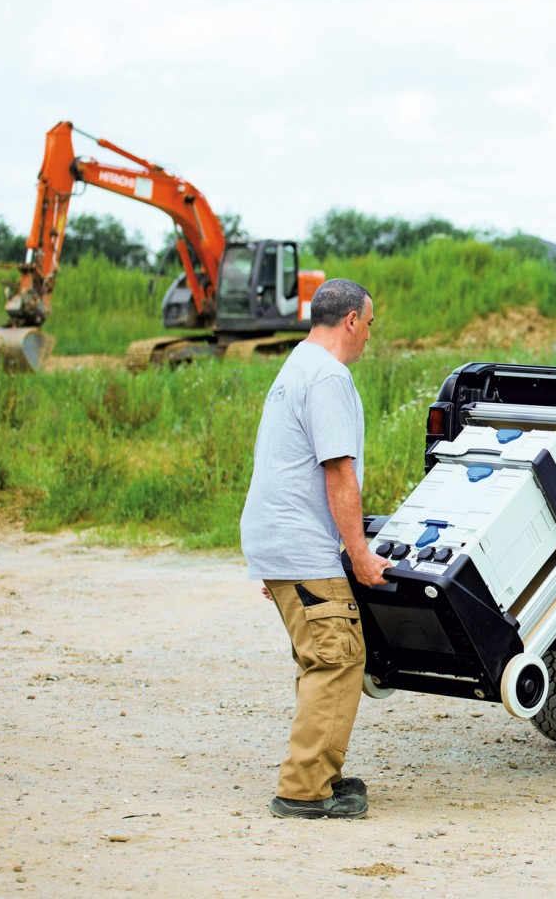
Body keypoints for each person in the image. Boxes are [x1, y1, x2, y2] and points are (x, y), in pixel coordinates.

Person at [239, 278, 390, 819]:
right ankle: (303, 791)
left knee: (320, 658)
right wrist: (360, 554)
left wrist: (273, 556)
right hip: (300, 542)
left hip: (281, 538)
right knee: (338, 659)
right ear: (351, 320)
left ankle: (321, 775)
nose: (370, 336)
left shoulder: (296, 366)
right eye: (369, 324)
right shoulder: (328, 377)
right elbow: (338, 471)